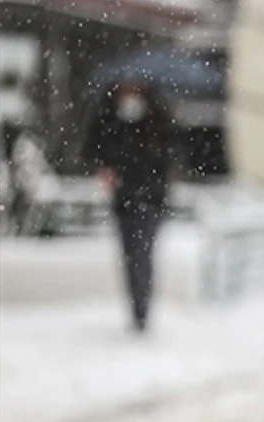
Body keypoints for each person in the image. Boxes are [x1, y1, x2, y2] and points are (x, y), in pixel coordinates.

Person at [83, 79, 174, 333]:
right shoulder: (109, 120)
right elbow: (94, 151)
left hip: (151, 200)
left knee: (142, 254)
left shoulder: (157, 120)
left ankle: (142, 309)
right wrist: (105, 170)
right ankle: (137, 306)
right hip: (124, 201)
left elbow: (168, 157)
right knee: (131, 255)